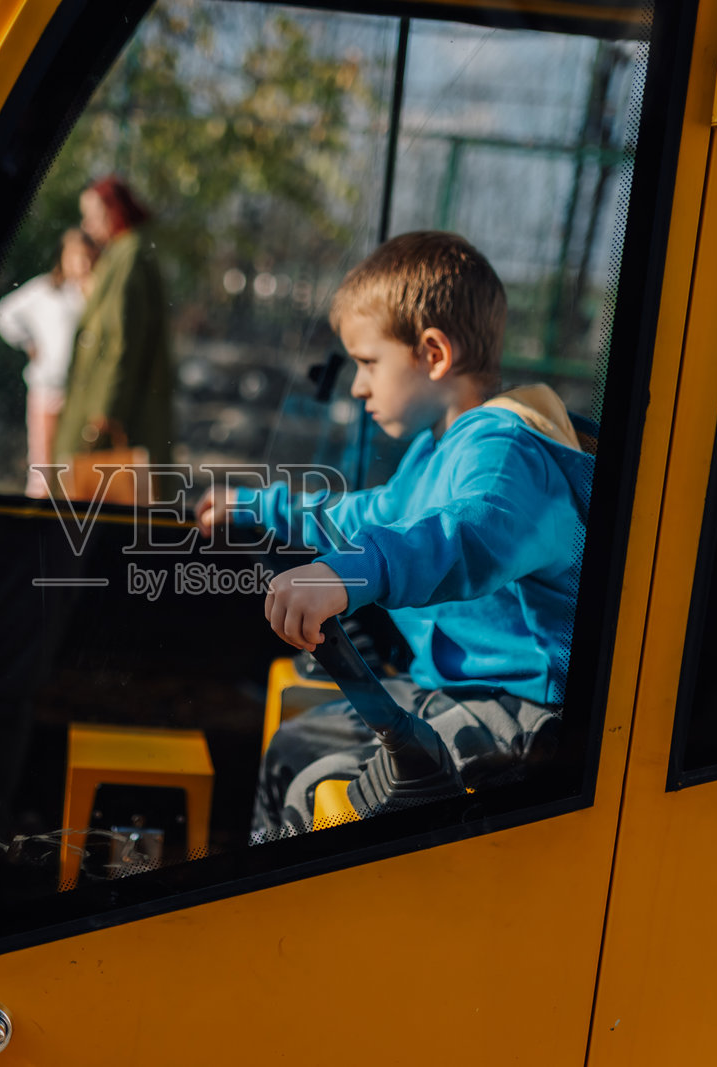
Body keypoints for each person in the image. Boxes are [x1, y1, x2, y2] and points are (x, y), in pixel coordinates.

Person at [197, 231, 594, 839]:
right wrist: (256, 506)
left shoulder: (506, 454)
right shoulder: (435, 451)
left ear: (432, 354)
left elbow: (464, 538)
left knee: (317, 790)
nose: (358, 386)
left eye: (368, 363)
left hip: (524, 714)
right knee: (291, 746)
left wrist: (344, 574)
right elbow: (369, 515)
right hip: (448, 688)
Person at [53, 176, 175, 467]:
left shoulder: (129, 255)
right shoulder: (124, 252)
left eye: (92, 215)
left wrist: (105, 411)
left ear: (113, 210)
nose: (87, 226)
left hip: (107, 412)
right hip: (107, 401)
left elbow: (121, 339)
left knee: (85, 482)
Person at [0, 229, 98, 497]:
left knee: (75, 468)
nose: (82, 264)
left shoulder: (94, 294)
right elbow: (4, 313)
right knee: (43, 464)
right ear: (63, 258)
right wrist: (28, 342)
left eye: (87, 257)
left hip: (82, 394)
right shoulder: (45, 289)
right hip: (48, 388)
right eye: (76, 257)